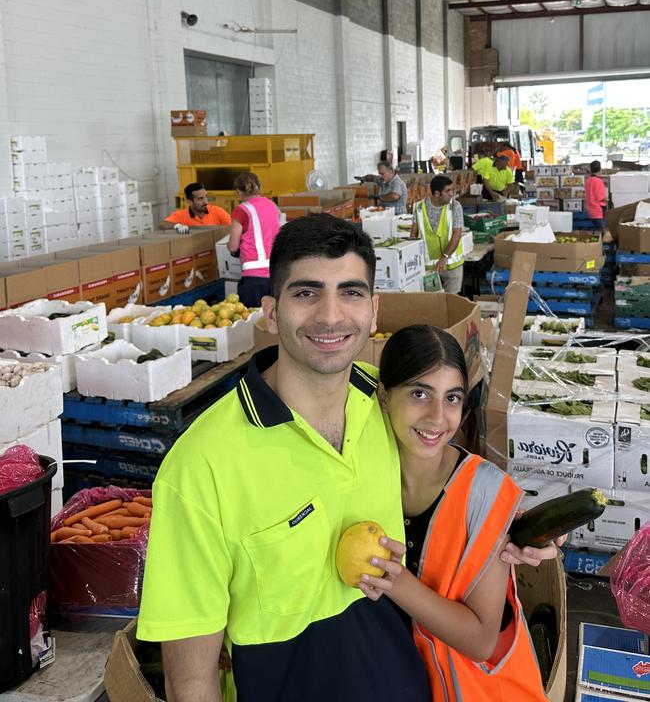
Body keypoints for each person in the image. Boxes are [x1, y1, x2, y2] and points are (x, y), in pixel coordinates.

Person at [137, 215, 563, 702]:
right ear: (271, 313)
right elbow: (190, 680)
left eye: (352, 293)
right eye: (306, 293)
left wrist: (515, 527)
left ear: (374, 310)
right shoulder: (201, 466)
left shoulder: (382, 403)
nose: (331, 315)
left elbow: (446, 482)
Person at [360, 325, 549, 702]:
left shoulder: (485, 494)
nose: (437, 417)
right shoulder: (361, 480)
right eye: (419, 393)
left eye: (452, 398)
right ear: (384, 397)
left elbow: (481, 640)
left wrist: (396, 582)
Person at [227, 172, 281, 307]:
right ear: (259, 186)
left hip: (254, 278)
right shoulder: (272, 206)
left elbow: (233, 246)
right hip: (276, 273)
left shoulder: (242, 210)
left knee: (253, 321)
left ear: (238, 192)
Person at [411, 175, 465, 294]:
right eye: (447, 191)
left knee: (451, 303)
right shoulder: (419, 208)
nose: (451, 194)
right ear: (436, 193)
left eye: (452, 190)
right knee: (432, 305)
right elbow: (413, 235)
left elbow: (457, 234)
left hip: (452, 265)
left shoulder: (455, 207)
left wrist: (444, 257)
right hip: (429, 268)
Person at [160, 182, 231, 233]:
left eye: (206, 197)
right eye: (200, 199)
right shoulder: (181, 215)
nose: (206, 202)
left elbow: (233, 227)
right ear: (190, 202)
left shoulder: (217, 211)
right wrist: (177, 226)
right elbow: (163, 224)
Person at [585, 160, 607, 231]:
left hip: (590, 211)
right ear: (600, 170)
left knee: (597, 231)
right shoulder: (598, 182)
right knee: (602, 233)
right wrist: (607, 199)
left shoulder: (588, 181)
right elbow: (600, 197)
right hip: (598, 211)